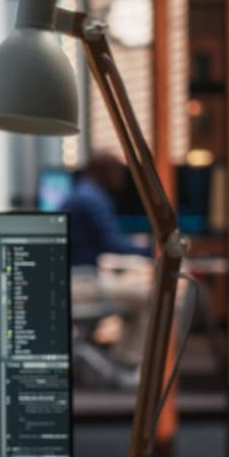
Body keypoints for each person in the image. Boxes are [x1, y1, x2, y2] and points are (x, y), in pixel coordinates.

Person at [63, 152, 153, 377]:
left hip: (74, 279)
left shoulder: (81, 194)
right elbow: (111, 242)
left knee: (136, 291)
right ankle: (128, 363)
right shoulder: (91, 199)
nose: (122, 178)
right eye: (119, 171)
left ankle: (123, 360)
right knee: (151, 296)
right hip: (79, 283)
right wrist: (153, 249)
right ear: (104, 171)